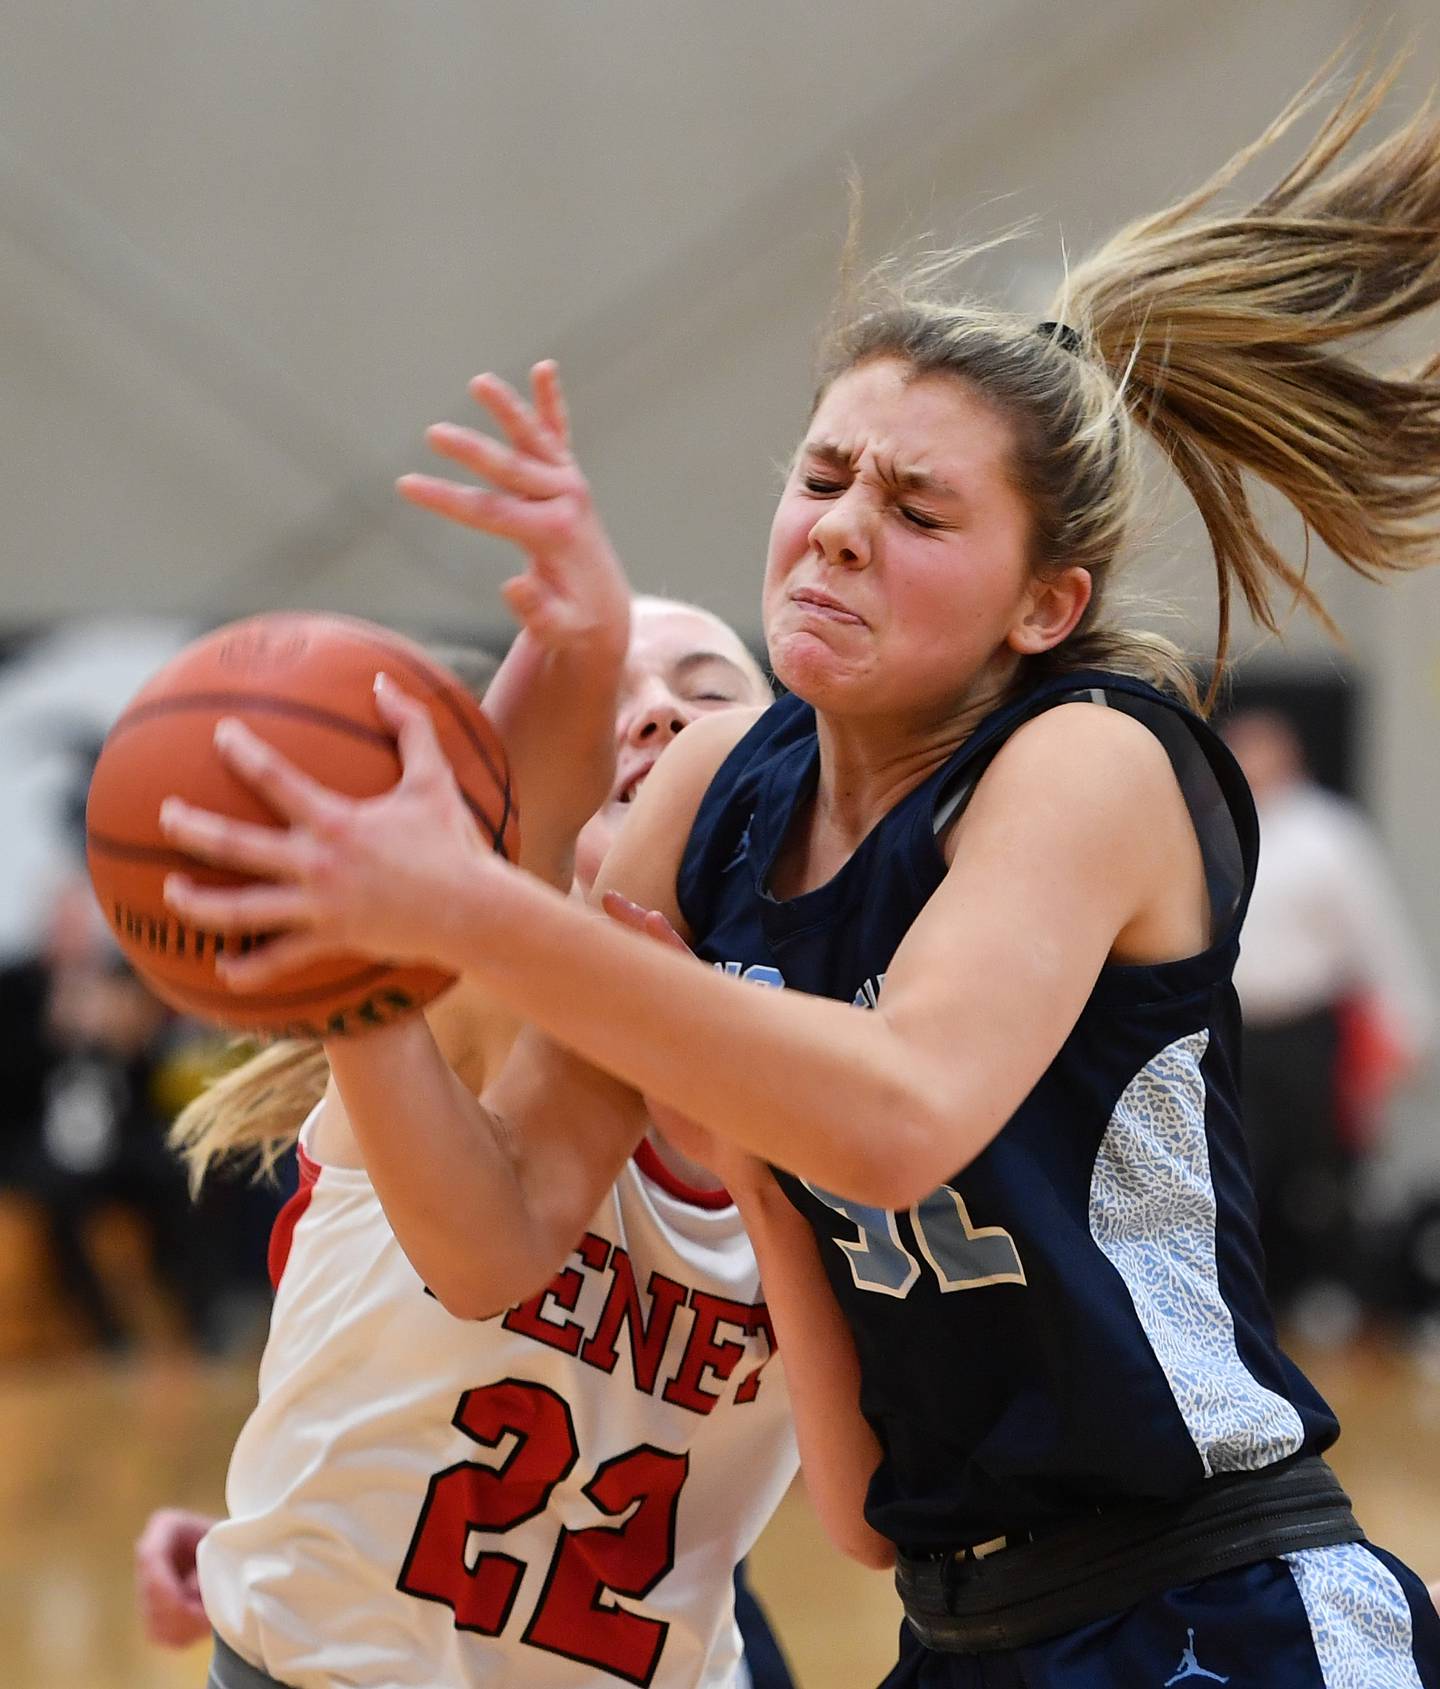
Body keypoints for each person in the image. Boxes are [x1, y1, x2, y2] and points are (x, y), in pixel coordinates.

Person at [158, 66, 1440, 1687]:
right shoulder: (711, 793)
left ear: (1043, 605)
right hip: (963, 1622)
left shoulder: (1090, 756)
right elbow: (499, 1237)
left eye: (915, 508)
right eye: (823, 475)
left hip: (1213, 1598)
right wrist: (368, 967)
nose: (838, 527)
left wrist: (465, 903)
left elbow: (897, 1114)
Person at [140, 365, 796, 1688]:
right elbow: (518, 820)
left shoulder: (835, 1051)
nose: (654, 707)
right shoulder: (461, 981)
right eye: (619, 692)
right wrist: (577, 627)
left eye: (703, 683)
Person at [1224, 707, 1435, 1340]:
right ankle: (1247, 1294)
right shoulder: (1215, 824)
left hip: (1307, 1030)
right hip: (1231, 1029)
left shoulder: (1330, 834)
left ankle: (1329, 1290)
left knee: (1319, 1168)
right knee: (1238, 1165)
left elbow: (1378, 938)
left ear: (1288, 755)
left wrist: (1407, 1027)